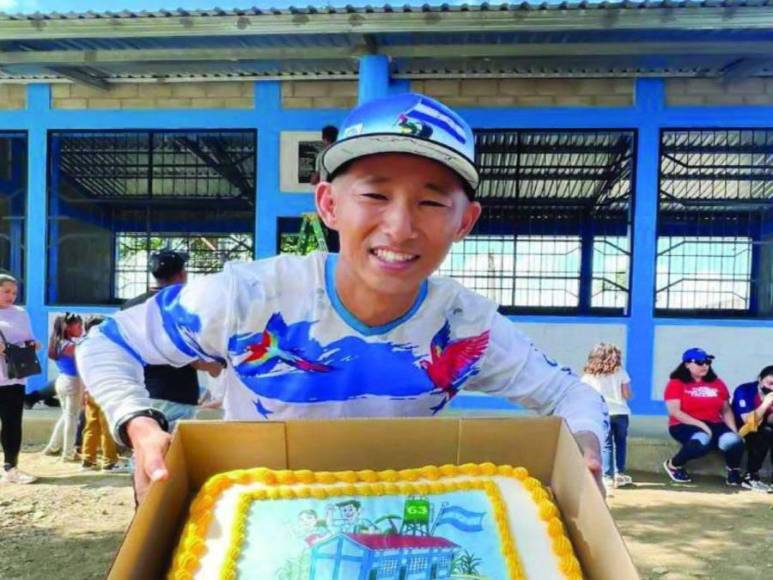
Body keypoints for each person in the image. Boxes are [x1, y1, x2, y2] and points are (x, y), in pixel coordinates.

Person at [77, 93, 607, 504]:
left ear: (464, 221)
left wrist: (586, 446)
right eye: (374, 195)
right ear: (329, 205)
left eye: (430, 201)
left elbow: (574, 395)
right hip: (254, 514)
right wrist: (140, 425)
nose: (399, 228)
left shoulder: (467, 325)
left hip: (391, 521)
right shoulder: (247, 296)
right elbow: (105, 345)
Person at [121, 249, 222, 432]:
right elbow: (187, 353)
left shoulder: (130, 306)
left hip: (140, 393)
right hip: (175, 395)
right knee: (170, 453)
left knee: (147, 449)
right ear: (183, 274)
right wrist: (218, 366)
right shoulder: (180, 306)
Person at [662, 348, 744, 486]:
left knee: (734, 441)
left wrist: (734, 431)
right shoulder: (676, 383)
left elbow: (726, 410)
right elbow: (675, 412)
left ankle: (733, 471)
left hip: (714, 422)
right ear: (687, 364)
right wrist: (702, 426)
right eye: (700, 362)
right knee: (702, 440)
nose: (705, 365)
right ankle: (674, 465)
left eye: (707, 362)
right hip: (683, 424)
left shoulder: (717, 383)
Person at [0, 273, 38, 484]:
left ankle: (10, 467)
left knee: (12, 423)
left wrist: (33, 343)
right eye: (6, 291)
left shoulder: (20, 313)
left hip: (14, 377)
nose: (11, 296)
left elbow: (28, 337)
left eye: (14, 292)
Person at [581, 343, 633, 494]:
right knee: (621, 442)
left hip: (602, 412)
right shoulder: (621, 372)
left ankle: (607, 477)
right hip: (621, 412)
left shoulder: (588, 376)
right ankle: (620, 474)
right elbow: (627, 394)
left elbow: (585, 395)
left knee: (606, 445)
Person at [79, 316, 126, 472]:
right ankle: (109, 461)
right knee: (107, 426)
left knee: (91, 425)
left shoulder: (83, 345)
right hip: (107, 389)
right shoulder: (107, 345)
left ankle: (88, 460)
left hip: (90, 389)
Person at [43, 313, 84, 461]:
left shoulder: (59, 342)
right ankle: (67, 453)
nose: (81, 329)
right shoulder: (70, 346)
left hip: (63, 380)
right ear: (68, 327)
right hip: (72, 382)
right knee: (72, 419)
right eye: (79, 325)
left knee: (66, 416)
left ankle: (53, 446)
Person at [731, 365, 773, 492]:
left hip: (761, 426)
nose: (772, 388)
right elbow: (748, 422)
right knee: (766, 432)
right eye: (770, 383)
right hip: (741, 429)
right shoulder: (744, 391)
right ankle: (750, 476)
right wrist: (766, 404)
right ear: (760, 379)